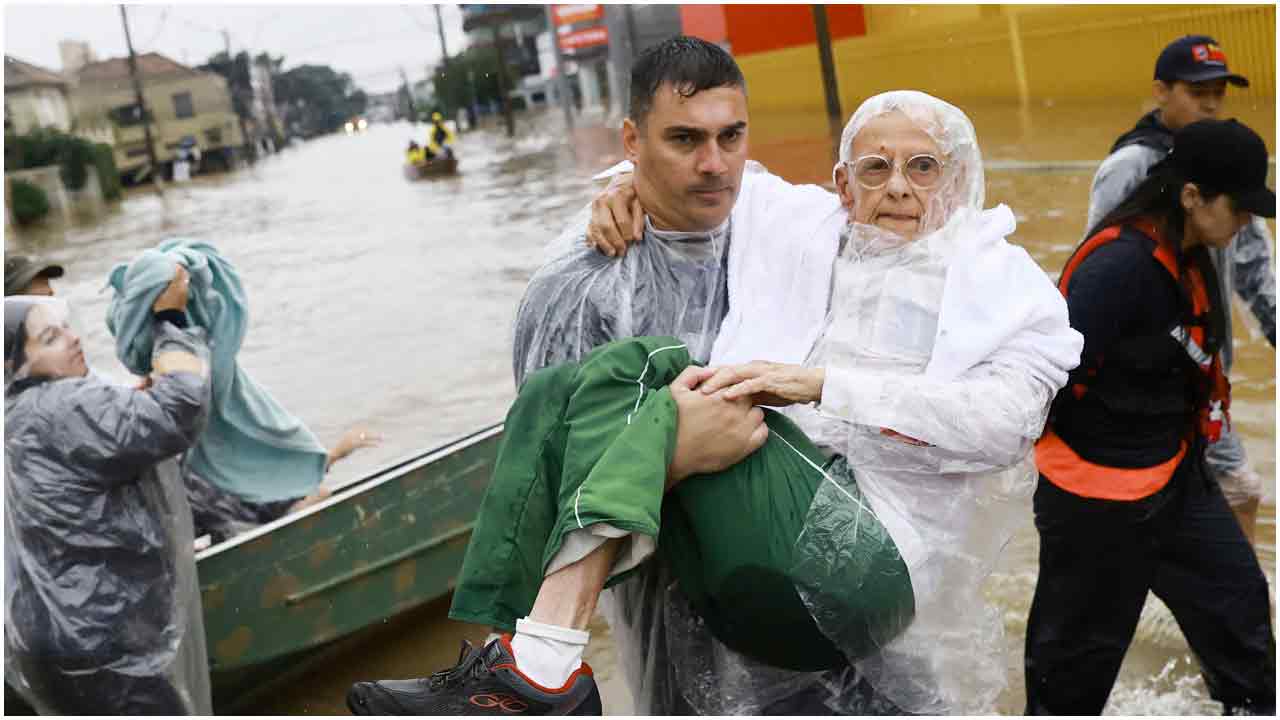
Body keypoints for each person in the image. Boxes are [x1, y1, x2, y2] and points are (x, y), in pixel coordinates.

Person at [349, 38, 1079, 716]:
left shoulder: (1001, 281)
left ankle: (537, 662)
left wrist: (819, 384)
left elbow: (1008, 421)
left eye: (924, 167)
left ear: (959, 179)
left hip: (867, 566)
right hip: (755, 566)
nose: (898, 187)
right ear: (841, 185)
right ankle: (525, 658)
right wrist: (619, 190)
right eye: (874, 167)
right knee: (581, 389)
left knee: (658, 372)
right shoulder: (810, 230)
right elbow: (719, 178)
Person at [1025, 119, 1276, 715]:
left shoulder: (1193, 253)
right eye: (1238, 207)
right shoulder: (1117, 269)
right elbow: (1042, 385)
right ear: (1191, 196)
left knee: (1241, 616)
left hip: (1176, 479)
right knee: (1072, 679)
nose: (1246, 223)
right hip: (1098, 499)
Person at [1087, 34, 1275, 543]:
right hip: (1149, 378)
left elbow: (1255, 262)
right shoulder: (1132, 167)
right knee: (1227, 488)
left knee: (1227, 490)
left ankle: (1235, 601)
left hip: (1205, 372)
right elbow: (1099, 267)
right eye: (1198, 92)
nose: (1212, 103)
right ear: (1161, 91)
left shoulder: (1229, 160)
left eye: (1219, 91)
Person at [3, 268, 214, 714]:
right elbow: (183, 406)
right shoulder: (61, 405)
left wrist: (126, 409)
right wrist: (170, 321)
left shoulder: (19, 411)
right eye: (49, 339)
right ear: (12, 364)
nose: (73, 339)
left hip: (54, 631)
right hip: (101, 637)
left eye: (63, 327)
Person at [107, 239, 378, 544]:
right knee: (315, 503)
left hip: (205, 500)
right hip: (210, 501)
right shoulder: (180, 366)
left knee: (309, 499)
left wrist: (335, 454)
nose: (187, 280)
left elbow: (252, 457)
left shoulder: (181, 359)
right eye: (178, 280)